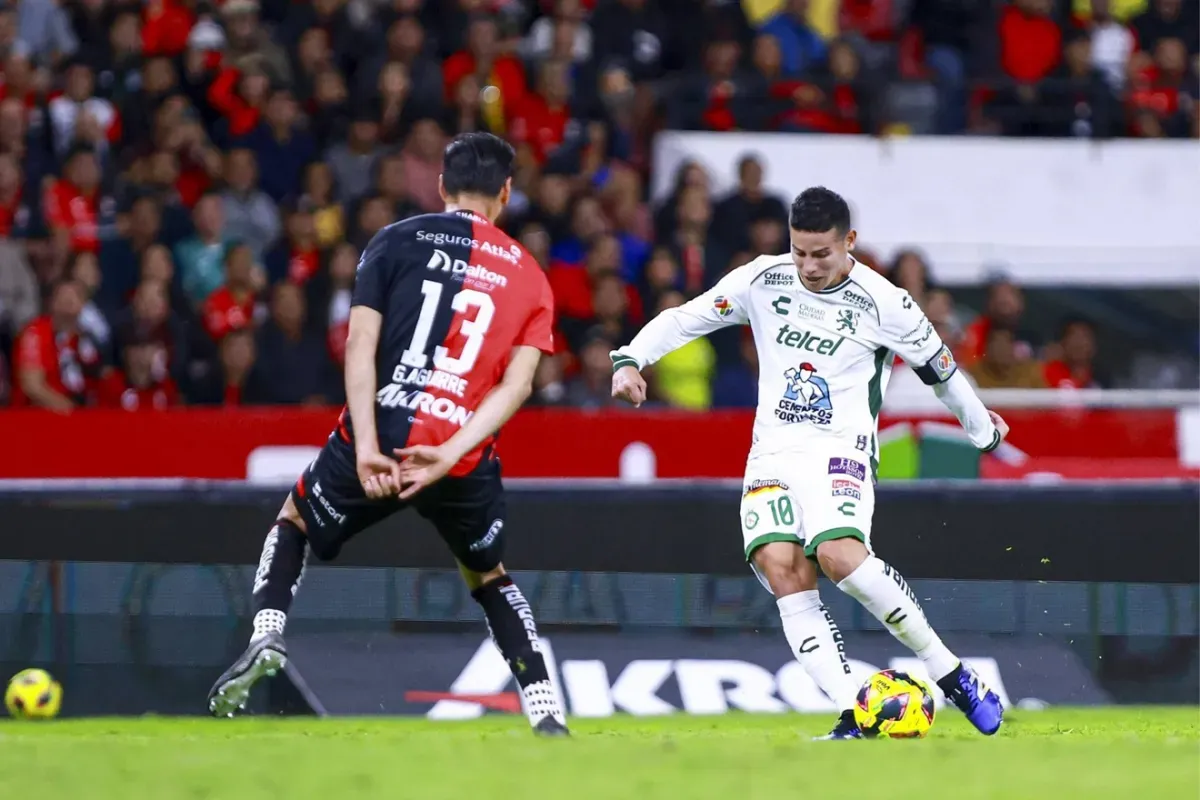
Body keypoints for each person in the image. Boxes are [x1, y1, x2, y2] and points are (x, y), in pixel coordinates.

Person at [610, 187, 1007, 740]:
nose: (809, 266)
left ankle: (954, 675)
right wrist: (630, 358)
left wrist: (982, 429)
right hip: (771, 452)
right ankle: (855, 711)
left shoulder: (884, 302)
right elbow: (686, 318)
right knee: (782, 568)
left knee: (840, 556)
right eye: (799, 252)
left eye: (821, 253)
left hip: (839, 450)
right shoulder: (763, 279)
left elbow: (941, 371)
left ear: (849, 242)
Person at [207, 132, 568, 737]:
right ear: (506, 192)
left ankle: (267, 633)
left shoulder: (394, 240)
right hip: (459, 456)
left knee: (295, 518)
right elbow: (517, 387)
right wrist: (450, 451)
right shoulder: (532, 278)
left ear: (440, 186)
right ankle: (545, 712)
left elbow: (360, 347)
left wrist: (369, 446)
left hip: (381, 434)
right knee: (489, 576)